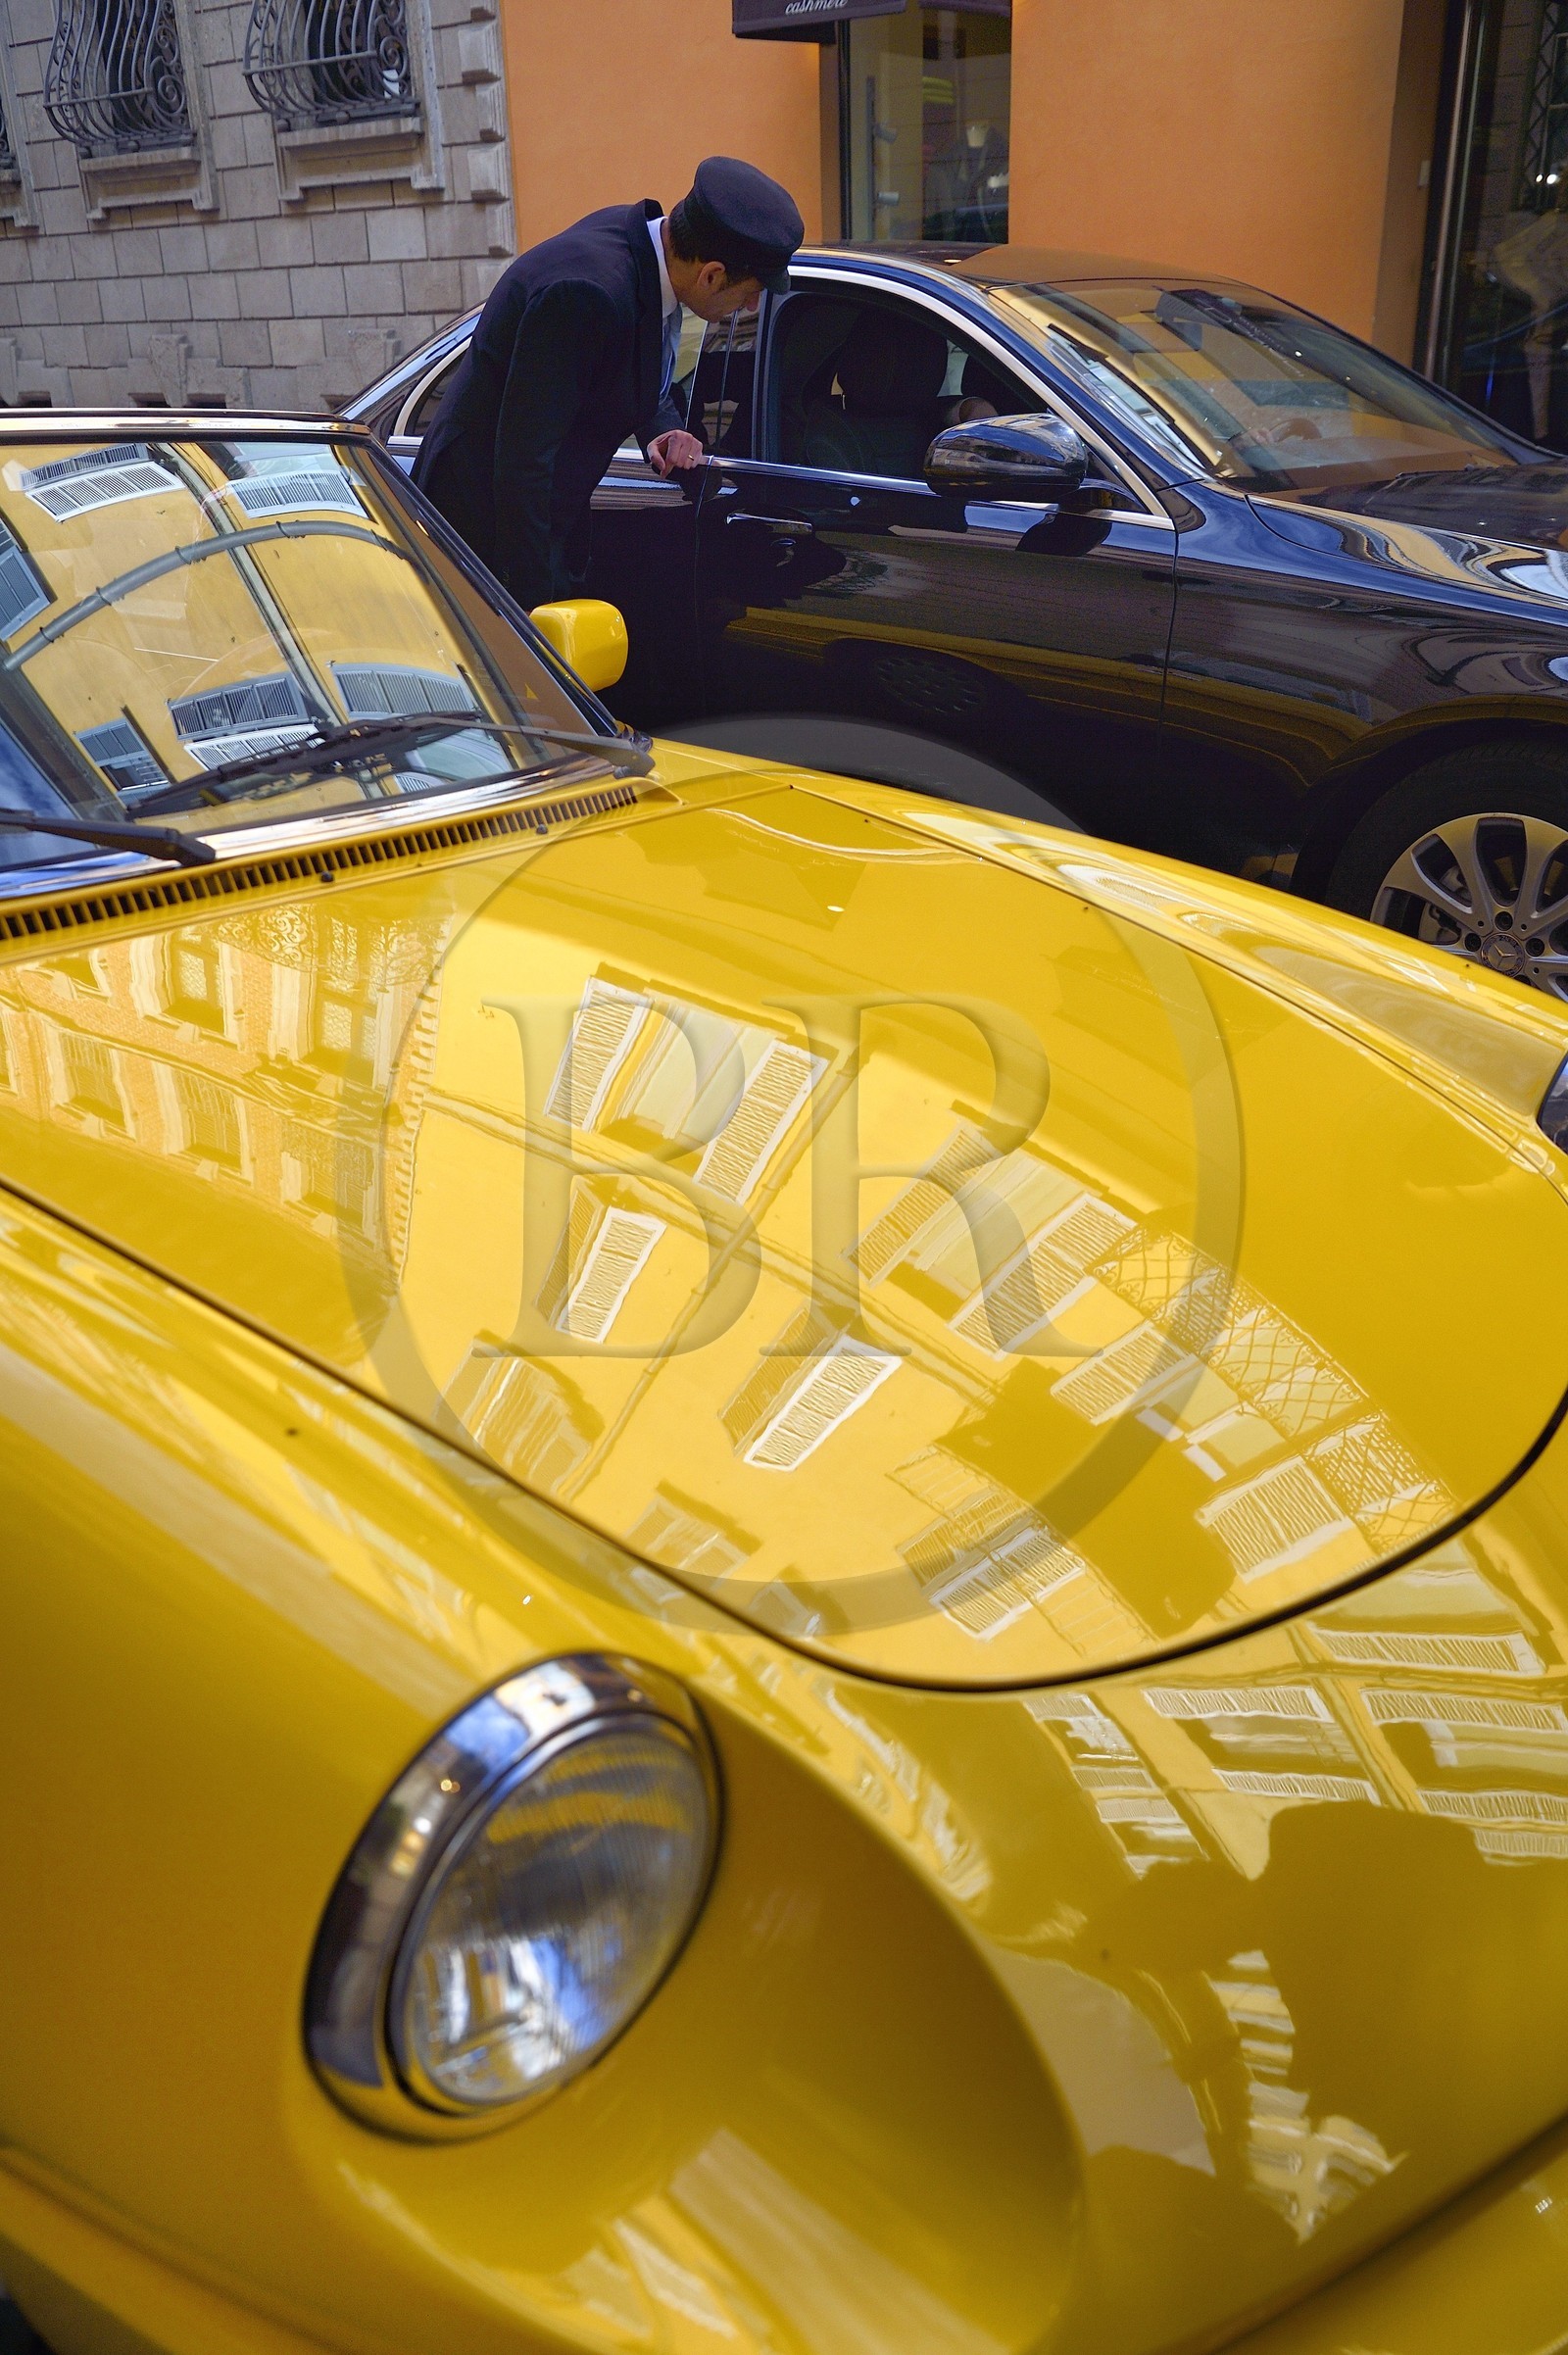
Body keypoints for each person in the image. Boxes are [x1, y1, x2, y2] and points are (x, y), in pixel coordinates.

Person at [413, 157, 804, 614]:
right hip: (480, 537)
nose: (753, 306)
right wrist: (532, 613)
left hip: (535, 518)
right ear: (712, 274)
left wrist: (663, 426)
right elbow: (523, 464)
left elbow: (624, 360)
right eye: (752, 291)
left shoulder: (645, 252)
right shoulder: (588, 294)